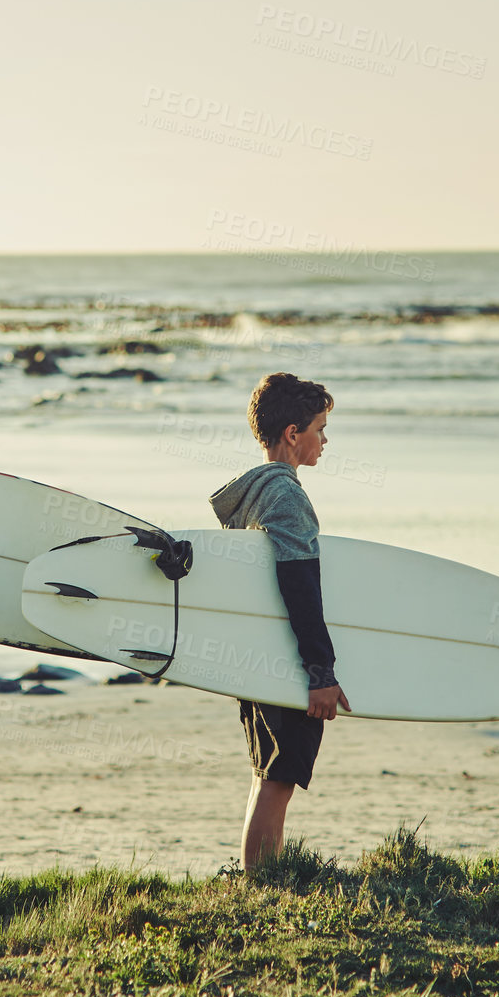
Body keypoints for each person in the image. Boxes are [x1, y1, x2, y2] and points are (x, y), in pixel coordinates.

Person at [208, 372, 349, 869]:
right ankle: (264, 889)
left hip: (255, 658)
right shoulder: (285, 497)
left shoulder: (252, 496)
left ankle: (257, 884)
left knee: (266, 774)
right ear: (293, 433)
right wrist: (321, 674)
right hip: (285, 662)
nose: (325, 440)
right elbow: (300, 588)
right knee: (278, 779)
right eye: (320, 428)